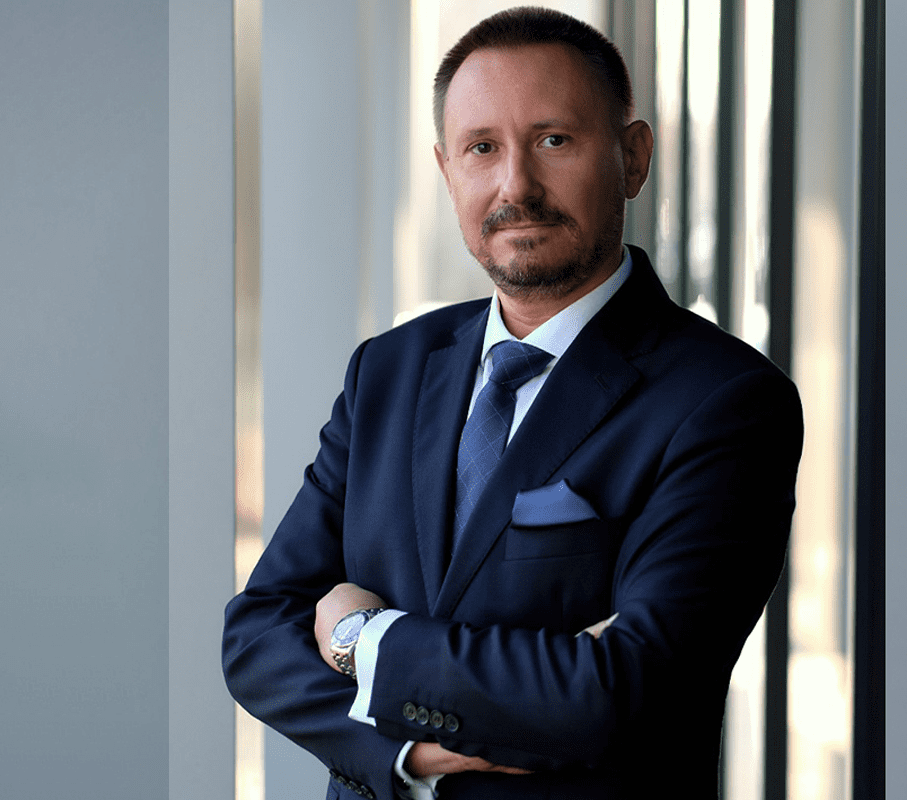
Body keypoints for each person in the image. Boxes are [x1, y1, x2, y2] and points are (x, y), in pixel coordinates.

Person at [223, 7, 802, 800]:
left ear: (633, 158)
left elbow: (625, 689)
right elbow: (258, 632)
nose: (516, 186)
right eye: (482, 148)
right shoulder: (387, 370)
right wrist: (408, 754)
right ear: (447, 170)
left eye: (553, 140)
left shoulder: (726, 401)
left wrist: (365, 639)